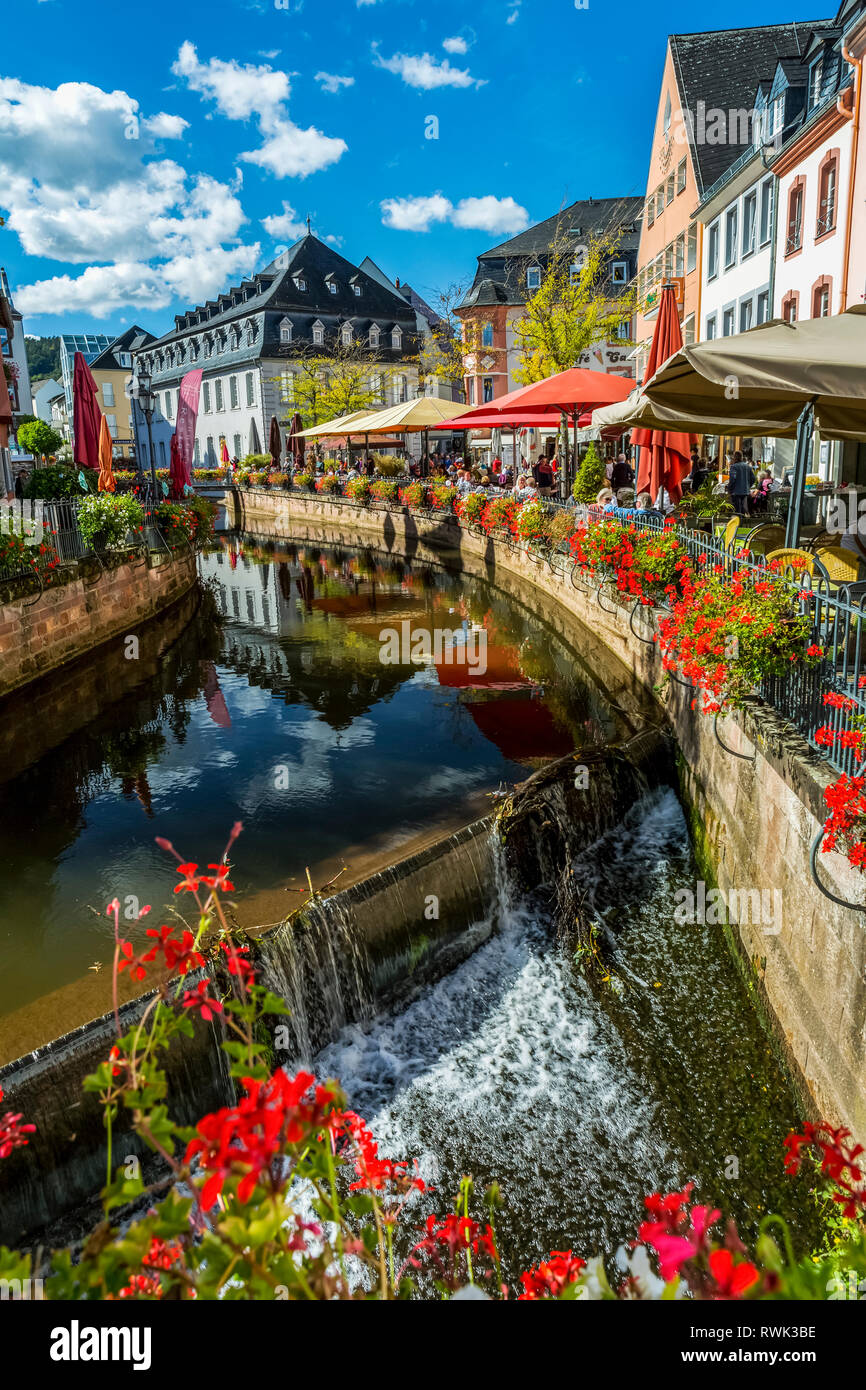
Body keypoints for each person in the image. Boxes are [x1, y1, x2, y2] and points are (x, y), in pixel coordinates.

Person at [727, 450, 755, 517]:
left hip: (736, 492)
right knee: (743, 509)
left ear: (734, 457)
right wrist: (748, 485)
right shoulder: (747, 466)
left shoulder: (734, 467)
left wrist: (729, 488)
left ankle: (738, 524)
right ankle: (742, 523)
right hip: (745, 491)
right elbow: (753, 478)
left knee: (737, 510)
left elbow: (733, 478)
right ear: (741, 457)